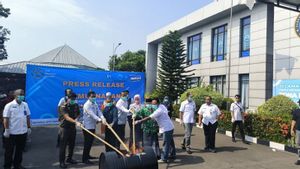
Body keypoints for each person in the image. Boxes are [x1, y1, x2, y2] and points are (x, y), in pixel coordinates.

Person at [135, 98, 175, 163]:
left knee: (166, 143)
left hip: (166, 128)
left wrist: (139, 121)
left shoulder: (159, 110)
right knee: (170, 142)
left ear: (158, 103)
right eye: (152, 103)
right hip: (169, 127)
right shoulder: (162, 106)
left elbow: (149, 117)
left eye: (154, 104)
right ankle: (173, 154)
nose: (152, 105)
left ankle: (164, 158)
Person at [3, 89, 31, 169]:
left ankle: (17, 165)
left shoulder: (25, 105)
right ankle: (7, 166)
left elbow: (28, 116)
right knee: (9, 152)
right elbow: (6, 119)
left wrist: (28, 127)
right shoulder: (9, 105)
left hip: (23, 132)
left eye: (23, 94)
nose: (22, 96)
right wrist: (7, 130)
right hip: (12, 133)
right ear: (15, 96)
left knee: (19, 151)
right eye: (20, 94)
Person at [82, 91, 106, 164]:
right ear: (88, 97)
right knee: (87, 142)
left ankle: (88, 155)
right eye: (92, 96)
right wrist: (99, 120)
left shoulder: (94, 103)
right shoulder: (86, 105)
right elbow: (92, 114)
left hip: (92, 126)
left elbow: (99, 112)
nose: (94, 98)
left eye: (94, 96)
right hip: (87, 126)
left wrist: (103, 118)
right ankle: (84, 159)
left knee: (90, 142)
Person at [58, 92, 81, 168]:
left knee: (72, 145)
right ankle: (62, 162)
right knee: (63, 146)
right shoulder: (63, 106)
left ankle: (69, 159)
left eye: (74, 99)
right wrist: (75, 121)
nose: (73, 100)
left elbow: (78, 114)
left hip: (72, 128)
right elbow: (67, 117)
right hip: (64, 128)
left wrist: (77, 118)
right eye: (72, 99)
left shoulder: (75, 105)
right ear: (67, 99)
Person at [291, 99, 300, 165]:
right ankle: (299, 159)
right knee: (298, 145)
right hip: (298, 131)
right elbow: (293, 120)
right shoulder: (296, 111)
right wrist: (291, 129)